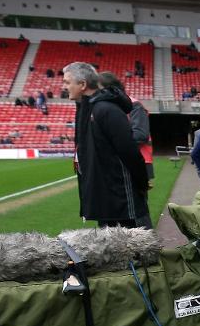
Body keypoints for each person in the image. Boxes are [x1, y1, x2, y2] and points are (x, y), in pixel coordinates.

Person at [63, 62, 147, 228]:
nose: (64, 86)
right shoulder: (85, 110)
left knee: (131, 247)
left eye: (67, 82)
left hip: (119, 197)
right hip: (102, 195)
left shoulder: (106, 109)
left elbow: (129, 152)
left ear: (82, 85)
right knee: (110, 250)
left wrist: (141, 183)